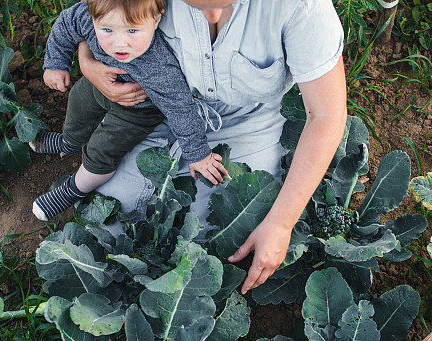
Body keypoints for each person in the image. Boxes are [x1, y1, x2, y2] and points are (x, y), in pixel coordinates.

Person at [76, 0, 347, 294]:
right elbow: (93, 12)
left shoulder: (301, 7)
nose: (212, 16)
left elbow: (326, 115)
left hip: (247, 118)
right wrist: (87, 62)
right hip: (157, 105)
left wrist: (281, 224)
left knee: (216, 237)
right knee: (109, 226)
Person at [29, 0, 227, 221]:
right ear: (93, 17)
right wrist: (56, 63)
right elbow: (66, 24)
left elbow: (181, 109)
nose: (119, 44)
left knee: (103, 148)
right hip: (100, 84)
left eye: (132, 30)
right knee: (78, 100)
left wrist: (198, 154)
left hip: (137, 111)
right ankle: (71, 142)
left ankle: (72, 190)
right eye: (107, 30)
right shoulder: (85, 15)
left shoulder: (159, 66)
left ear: (156, 19)